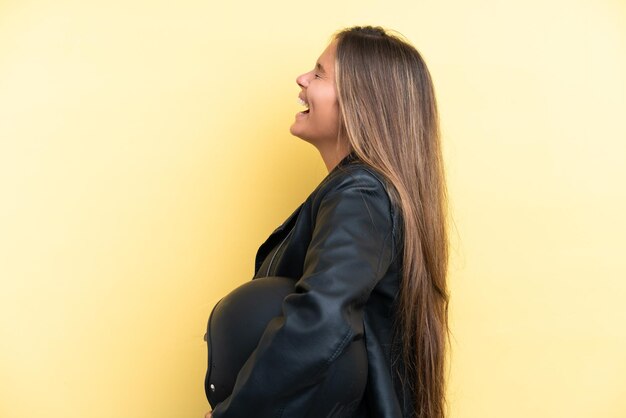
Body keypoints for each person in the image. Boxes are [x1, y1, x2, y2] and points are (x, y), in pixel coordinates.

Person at [205, 25, 450, 418]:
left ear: (361, 102)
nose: (302, 79)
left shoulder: (360, 194)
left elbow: (321, 318)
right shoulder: (364, 192)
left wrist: (237, 412)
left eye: (319, 73)